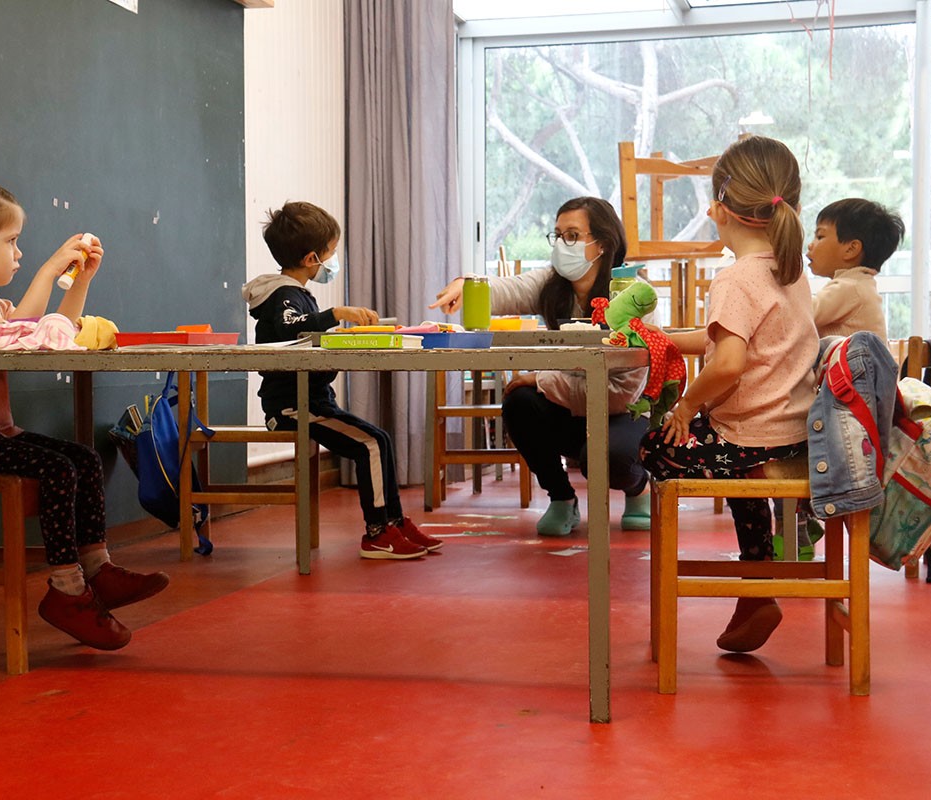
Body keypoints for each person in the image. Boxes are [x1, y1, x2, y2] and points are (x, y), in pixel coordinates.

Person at [0, 176, 169, 651]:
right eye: (12, 241)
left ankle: (97, 570)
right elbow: (18, 332)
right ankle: (67, 588)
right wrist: (47, 270)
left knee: (80, 458)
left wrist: (79, 280)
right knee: (58, 469)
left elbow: (35, 329)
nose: (19, 254)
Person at [639, 136, 817, 654]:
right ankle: (755, 584)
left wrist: (686, 405)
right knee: (719, 449)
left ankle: (756, 583)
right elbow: (728, 338)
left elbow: (729, 364)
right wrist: (665, 337)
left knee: (655, 448)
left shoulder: (736, 278)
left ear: (718, 207)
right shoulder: (789, 271)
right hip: (792, 431)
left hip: (749, 439)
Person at [429, 197, 650, 536]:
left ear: (603, 244)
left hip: (621, 414)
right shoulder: (553, 285)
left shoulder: (633, 294)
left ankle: (639, 489)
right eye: (558, 235)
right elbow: (507, 289)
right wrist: (467, 283)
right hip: (573, 408)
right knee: (519, 403)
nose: (562, 244)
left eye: (573, 236)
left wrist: (542, 380)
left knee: (609, 458)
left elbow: (623, 393)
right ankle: (561, 498)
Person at [241, 201, 440, 560]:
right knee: (370, 444)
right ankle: (378, 532)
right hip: (293, 407)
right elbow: (292, 328)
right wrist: (334, 314)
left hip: (316, 402)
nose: (333, 261)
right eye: (331, 253)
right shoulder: (282, 295)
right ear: (311, 258)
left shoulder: (294, 293)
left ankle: (393, 521)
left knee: (378, 439)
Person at [806, 197, 905, 340]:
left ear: (851, 249)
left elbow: (801, 315)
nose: (810, 245)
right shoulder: (861, 284)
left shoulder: (850, 288)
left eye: (820, 236)